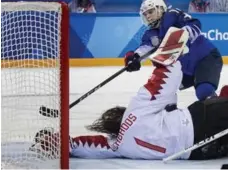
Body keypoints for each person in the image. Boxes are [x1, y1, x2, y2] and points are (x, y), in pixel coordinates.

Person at [31, 59, 228, 160]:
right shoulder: (135, 111)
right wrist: (167, 51)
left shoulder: (119, 146)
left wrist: (52, 142)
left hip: (200, 151)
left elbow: (83, 145)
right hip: (202, 119)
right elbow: (166, 76)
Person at [124, 0, 223, 101]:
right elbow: (144, 49)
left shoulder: (172, 15)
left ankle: (220, 110)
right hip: (185, 70)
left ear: (160, 8)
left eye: (150, 12)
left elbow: (194, 24)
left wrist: (182, 34)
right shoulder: (150, 34)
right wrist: (134, 58)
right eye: (145, 14)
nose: (148, 16)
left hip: (205, 58)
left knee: (204, 91)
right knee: (162, 93)